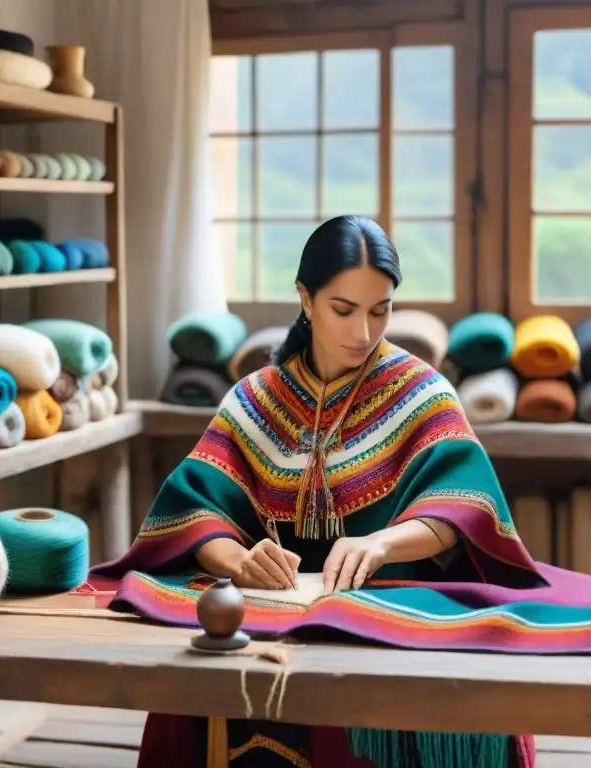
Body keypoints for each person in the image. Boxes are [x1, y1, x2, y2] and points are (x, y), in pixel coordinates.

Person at [90, 215, 543, 767]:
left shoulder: (423, 392)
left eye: (381, 310)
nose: (364, 332)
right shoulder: (256, 398)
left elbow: (466, 508)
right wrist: (238, 559)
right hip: (271, 622)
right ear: (305, 299)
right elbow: (192, 509)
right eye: (343, 309)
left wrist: (383, 544)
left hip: (388, 618)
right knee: (206, 668)